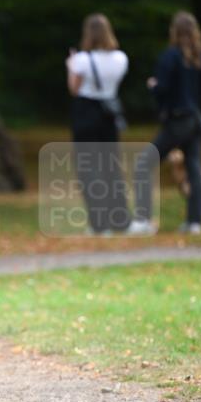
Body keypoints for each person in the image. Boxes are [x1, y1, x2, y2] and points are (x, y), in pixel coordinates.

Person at [130, 11, 201, 236]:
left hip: (178, 119)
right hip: (195, 119)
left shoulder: (171, 55)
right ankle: (195, 222)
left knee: (143, 164)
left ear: (174, 31)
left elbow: (163, 88)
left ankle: (143, 220)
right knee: (194, 167)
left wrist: (153, 86)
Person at [66, 13, 130, 235]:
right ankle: (121, 219)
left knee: (88, 169)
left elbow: (74, 88)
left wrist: (70, 66)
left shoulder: (82, 59)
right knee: (111, 169)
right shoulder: (121, 58)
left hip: (86, 113)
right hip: (109, 114)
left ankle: (99, 223)